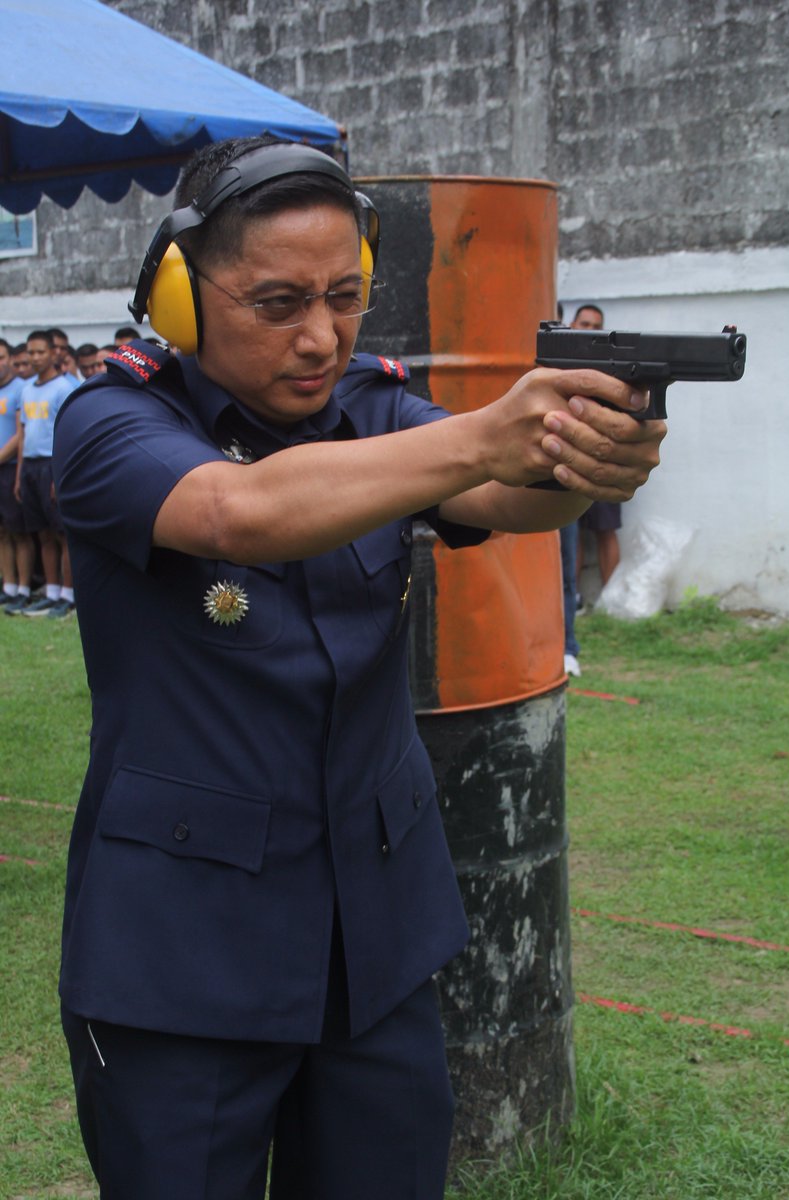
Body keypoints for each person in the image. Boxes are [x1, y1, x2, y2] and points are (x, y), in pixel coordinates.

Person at [53, 136, 665, 1200]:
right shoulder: (112, 419)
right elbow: (236, 512)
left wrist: (580, 458)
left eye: (345, 296)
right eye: (279, 301)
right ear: (183, 298)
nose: (321, 335)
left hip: (370, 933)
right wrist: (486, 435)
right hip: (182, 951)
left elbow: (508, 501)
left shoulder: (379, 410)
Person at [12, 330, 75, 617]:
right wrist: (19, 475)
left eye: (40, 352)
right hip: (30, 466)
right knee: (43, 534)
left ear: (53, 353)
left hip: (53, 464)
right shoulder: (26, 390)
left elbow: (68, 433)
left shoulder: (63, 388)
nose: (34, 357)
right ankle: (50, 592)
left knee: (63, 534)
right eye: (31, 352)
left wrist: (59, 474)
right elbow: (23, 434)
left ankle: (68, 593)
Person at [569, 304, 623, 599]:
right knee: (569, 528)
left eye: (596, 325)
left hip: (604, 454)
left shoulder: (612, 361)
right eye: (585, 324)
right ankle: (573, 597)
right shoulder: (560, 361)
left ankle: (612, 598)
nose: (590, 330)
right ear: (573, 324)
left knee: (606, 529)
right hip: (568, 453)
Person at [0, 337, 35, 610]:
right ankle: (8, 585)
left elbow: (19, 434)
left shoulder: (22, 389)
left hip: (11, 467)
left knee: (19, 530)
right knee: (3, 532)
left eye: (2, 357)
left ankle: (24, 587)